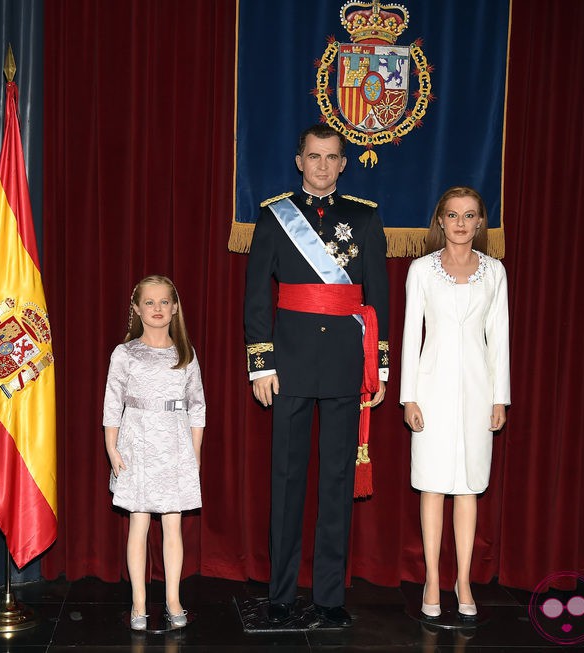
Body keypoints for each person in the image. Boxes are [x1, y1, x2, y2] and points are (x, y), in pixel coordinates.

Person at [244, 124, 389, 627]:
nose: (323, 166)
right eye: (314, 156)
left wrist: (380, 363)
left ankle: (329, 597)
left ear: (343, 163)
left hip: (347, 365)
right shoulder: (274, 216)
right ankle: (281, 595)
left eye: (331, 157)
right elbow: (258, 296)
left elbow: (378, 296)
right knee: (286, 481)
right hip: (290, 364)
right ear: (299, 160)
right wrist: (261, 362)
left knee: (336, 481)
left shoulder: (365, 218)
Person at [399, 186, 510, 621]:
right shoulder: (421, 270)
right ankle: (432, 579)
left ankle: (463, 580)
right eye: (452, 215)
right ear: (439, 221)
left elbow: (499, 339)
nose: (461, 223)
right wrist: (409, 396)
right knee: (432, 485)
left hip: (479, 390)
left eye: (469, 215)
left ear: (480, 222)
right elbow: (412, 335)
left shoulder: (495, 272)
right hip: (431, 389)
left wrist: (500, 397)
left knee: (468, 487)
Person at [102, 275, 205, 631]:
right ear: (136, 309)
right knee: (139, 523)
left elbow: (198, 408)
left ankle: (174, 598)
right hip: (137, 445)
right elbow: (112, 405)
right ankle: (139, 603)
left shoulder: (186, 355)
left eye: (164, 302)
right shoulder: (125, 353)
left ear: (175, 307)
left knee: (173, 526)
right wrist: (112, 449)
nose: (157, 308)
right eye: (149, 302)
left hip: (175, 446)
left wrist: (194, 455)